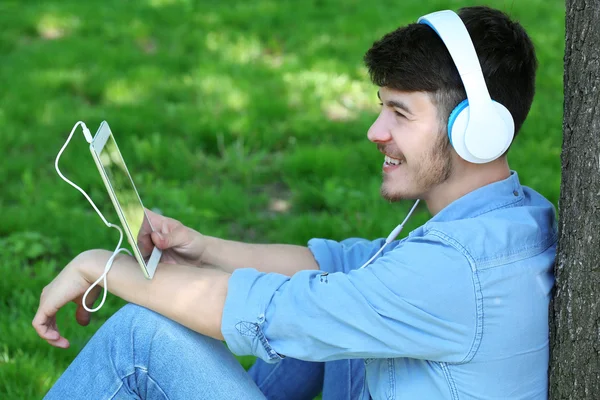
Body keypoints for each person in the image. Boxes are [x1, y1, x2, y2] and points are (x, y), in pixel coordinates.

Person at [33, 5, 557, 400]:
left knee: (140, 337)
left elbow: (271, 315)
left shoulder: (456, 270)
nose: (376, 131)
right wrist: (204, 248)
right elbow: (342, 267)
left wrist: (100, 268)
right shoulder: (509, 215)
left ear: (476, 131)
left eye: (400, 113)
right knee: (327, 297)